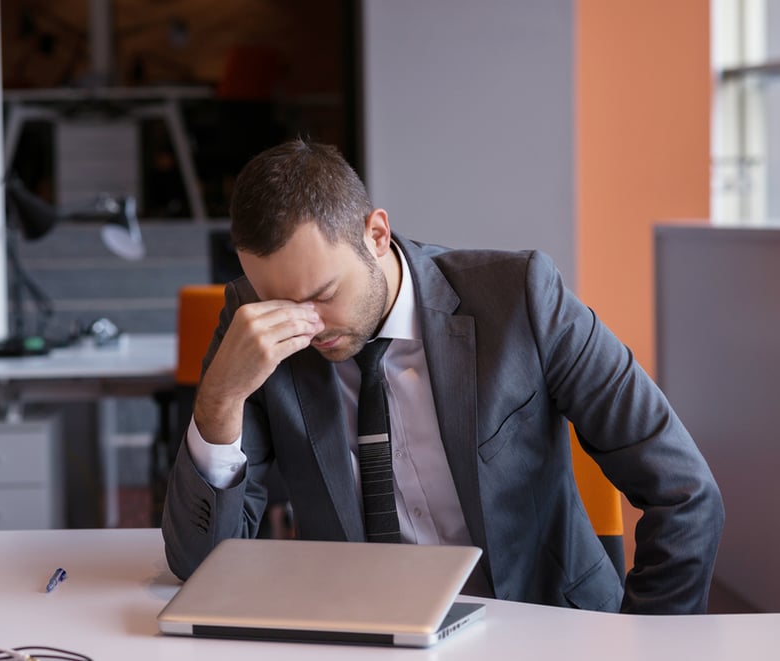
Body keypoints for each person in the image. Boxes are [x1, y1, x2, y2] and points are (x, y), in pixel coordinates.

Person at [161, 138, 723, 615]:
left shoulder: (520, 297)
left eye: (323, 295)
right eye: (278, 302)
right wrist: (220, 398)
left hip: (541, 628)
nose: (305, 326)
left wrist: (647, 640)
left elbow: (685, 493)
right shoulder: (253, 327)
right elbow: (202, 566)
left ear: (376, 233)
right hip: (362, 638)